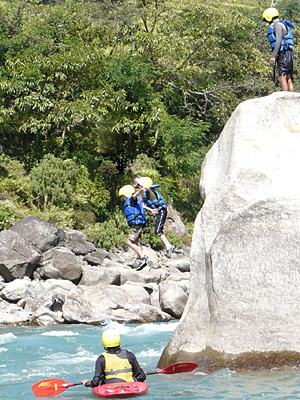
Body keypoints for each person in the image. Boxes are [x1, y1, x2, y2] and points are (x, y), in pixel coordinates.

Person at [81, 328, 146, 387]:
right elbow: (141, 377)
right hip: (129, 387)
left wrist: (87, 383)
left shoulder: (101, 358)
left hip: (110, 389)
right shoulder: (129, 355)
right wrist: (143, 374)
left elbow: (96, 382)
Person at [135, 177, 175, 258]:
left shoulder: (150, 191)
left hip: (162, 211)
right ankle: (168, 246)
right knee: (157, 231)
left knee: (158, 230)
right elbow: (143, 205)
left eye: (140, 186)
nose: (139, 188)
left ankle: (169, 246)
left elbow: (145, 187)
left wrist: (138, 181)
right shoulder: (145, 194)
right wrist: (151, 210)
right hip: (159, 212)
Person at [262, 7, 295, 92]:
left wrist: (273, 56)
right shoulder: (282, 24)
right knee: (288, 78)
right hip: (288, 53)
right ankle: (292, 101)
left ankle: (286, 100)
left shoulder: (277, 25)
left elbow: (278, 41)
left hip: (283, 53)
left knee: (282, 78)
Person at [119, 184, 149, 271]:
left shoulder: (132, 198)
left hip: (136, 223)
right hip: (137, 223)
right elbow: (142, 206)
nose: (123, 198)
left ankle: (143, 257)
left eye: (123, 196)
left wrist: (141, 190)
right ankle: (142, 260)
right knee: (135, 242)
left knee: (129, 242)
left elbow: (135, 195)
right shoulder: (134, 201)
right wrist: (151, 210)